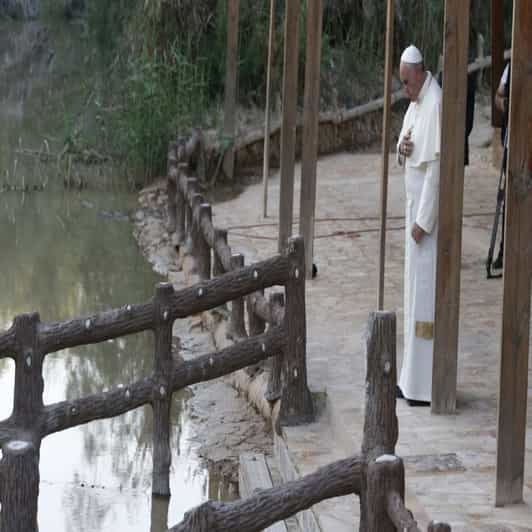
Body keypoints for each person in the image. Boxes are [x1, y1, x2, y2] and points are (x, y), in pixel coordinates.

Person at [395, 45, 442, 407]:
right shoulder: (415, 102)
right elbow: (404, 147)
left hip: (424, 222)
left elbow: (437, 169)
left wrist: (423, 222)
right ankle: (409, 380)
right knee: (411, 296)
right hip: (412, 212)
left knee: (424, 297)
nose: (404, 89)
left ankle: (423, 387)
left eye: (406, 82)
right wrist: (403, 148)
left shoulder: (436, 103)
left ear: (419, 74)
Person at [491, 61, 510, 271]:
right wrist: (508, 106)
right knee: (509, 201)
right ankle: (505, 252)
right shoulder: (511, 67)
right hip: (512, 143)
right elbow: (498, 97)